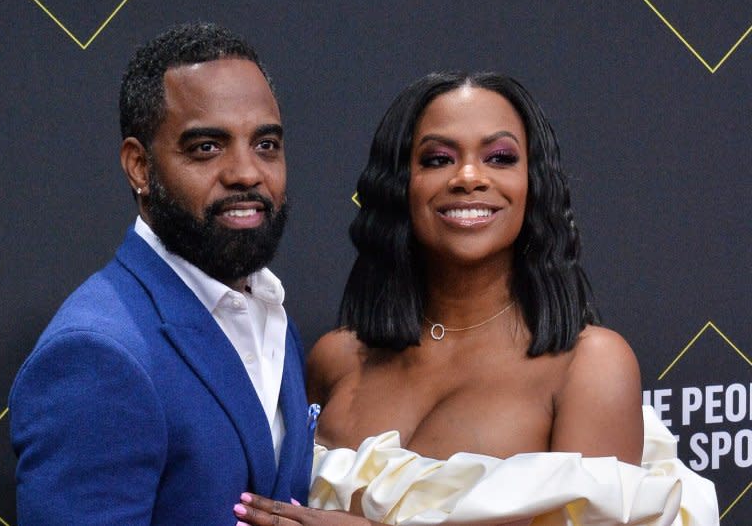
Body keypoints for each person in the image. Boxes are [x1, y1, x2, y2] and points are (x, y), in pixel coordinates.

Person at [233, 72, 718, 525]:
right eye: (438, 159)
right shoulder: (336, 358)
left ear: (534, 183)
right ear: (401, 185)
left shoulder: (590, 365)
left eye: (500, 158)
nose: (468, 177)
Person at [9, 23, 313, 525]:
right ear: (139, 167)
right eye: (207, 148)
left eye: (266, 145)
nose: (247, 172)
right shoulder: (98, 354)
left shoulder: (273, 315)